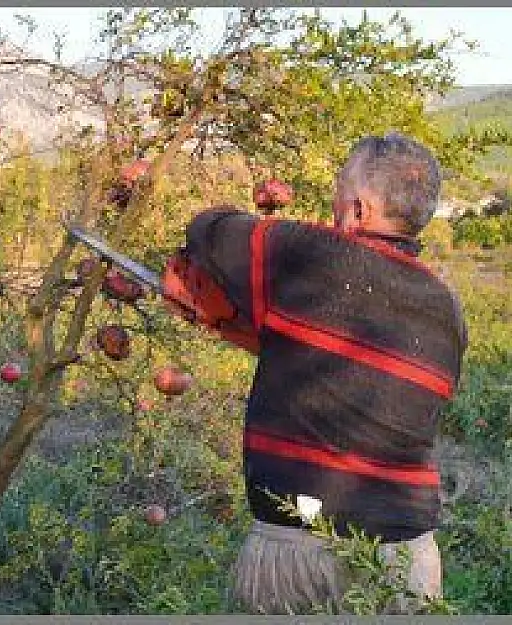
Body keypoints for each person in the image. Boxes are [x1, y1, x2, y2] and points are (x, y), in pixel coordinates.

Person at [164, 132, 468, 614]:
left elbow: (208, 230)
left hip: (301, 545)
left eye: (338, 189)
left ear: (359, 209)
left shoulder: (306, 253)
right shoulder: (448, 308)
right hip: (410, 556)